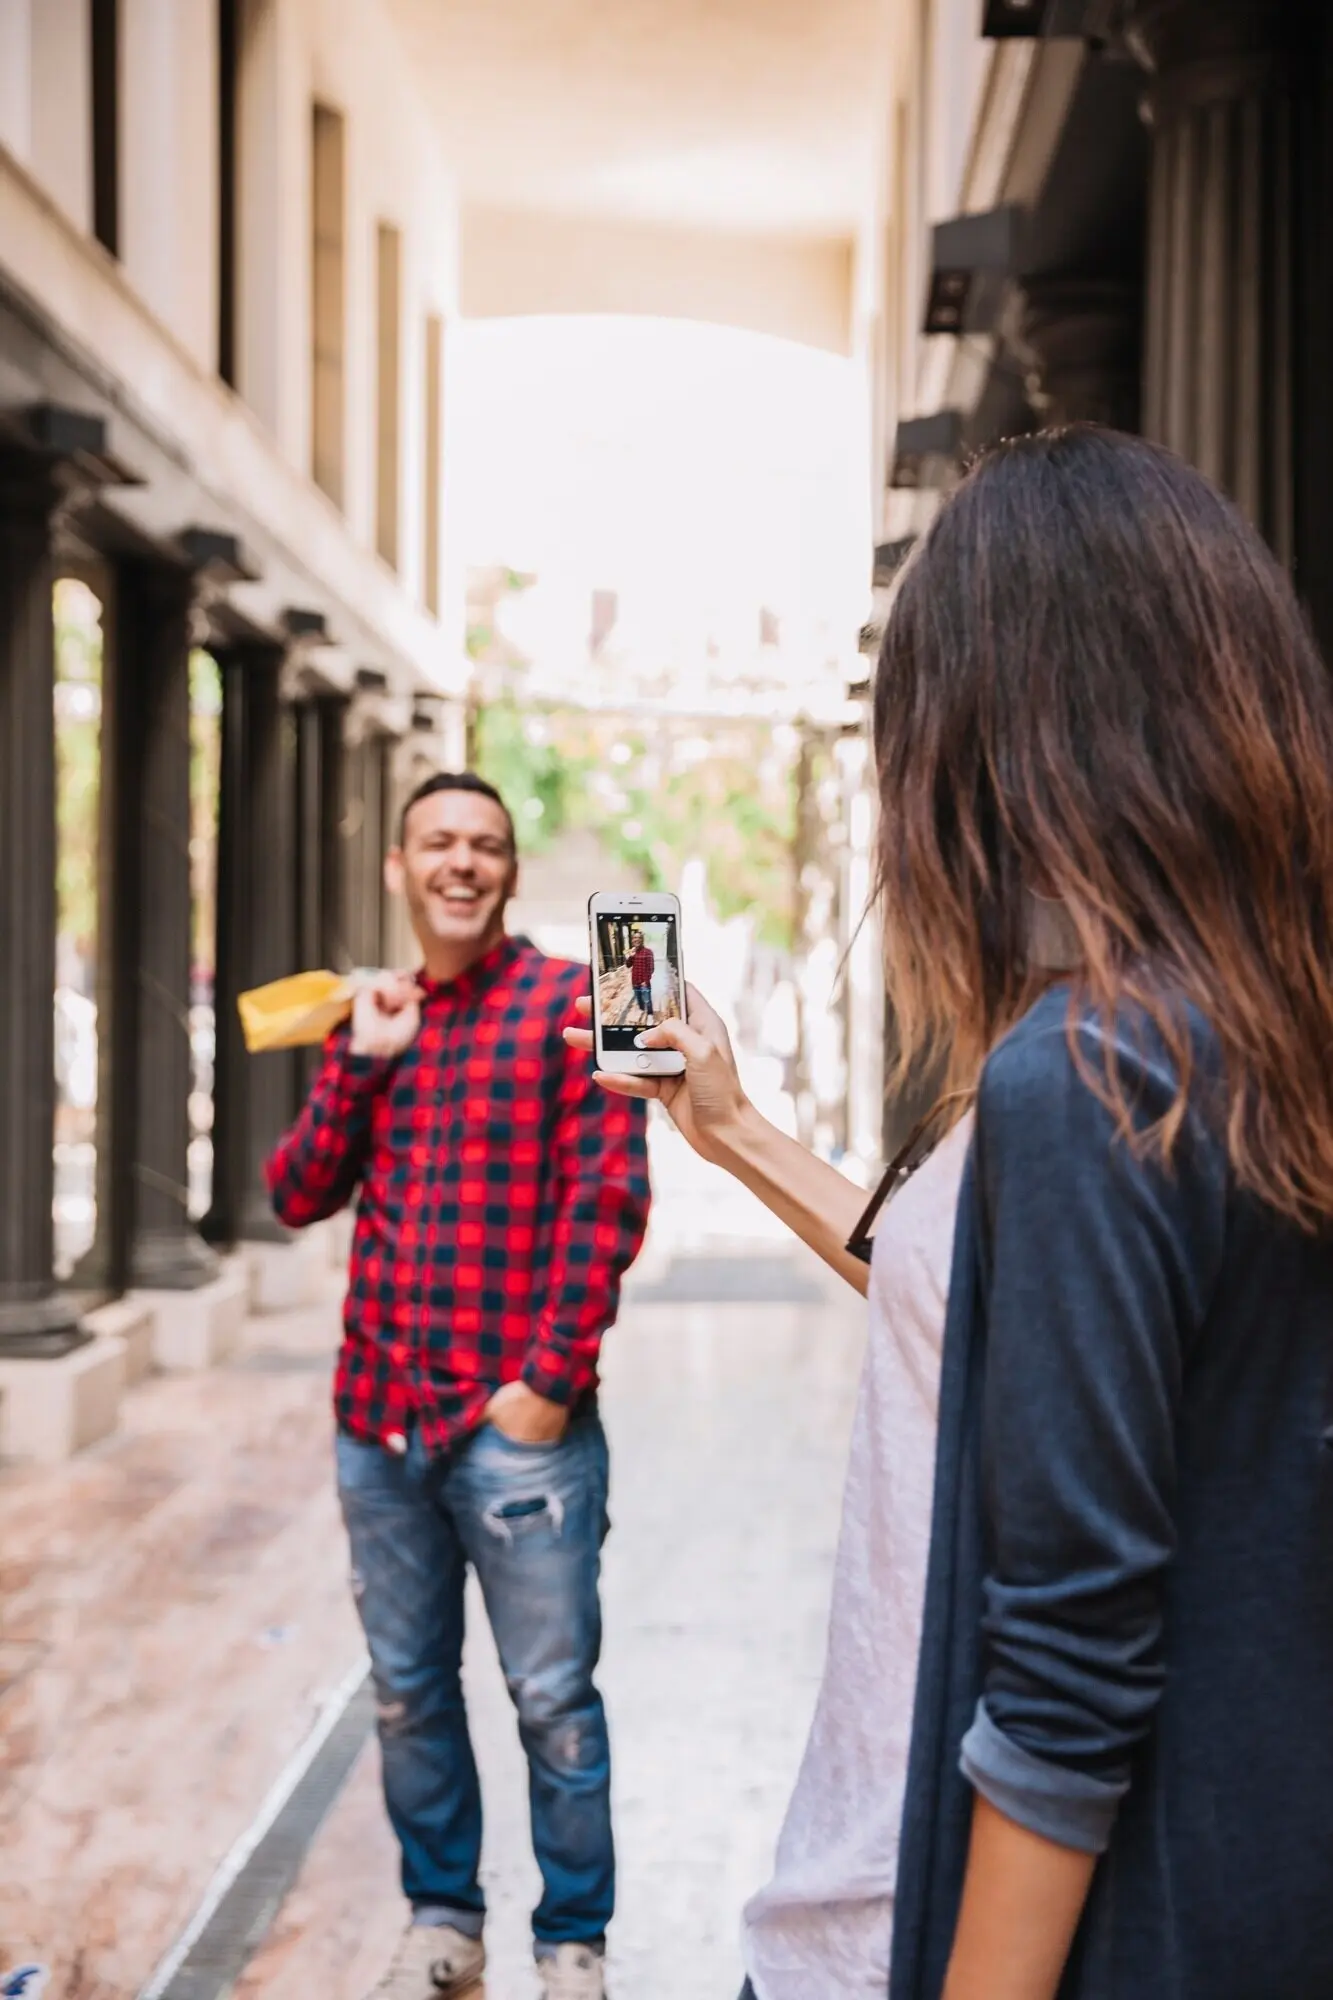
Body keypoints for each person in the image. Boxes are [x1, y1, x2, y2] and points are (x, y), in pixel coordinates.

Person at [568, 428, 1333, 1999]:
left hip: (931, 1914)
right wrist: (738, 1137)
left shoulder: (1090, 1079)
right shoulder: (1230, 1036)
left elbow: (1066, 1680)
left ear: (994, 731)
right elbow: (1008, 1323)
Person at [267, 772, 650, 2000]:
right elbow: (295, 1192)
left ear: (510, 872)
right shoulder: (370, 1016)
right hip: (376, 1423)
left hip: (515, 1432)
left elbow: (607, 1198)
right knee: (407, 1694)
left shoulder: (567, 1003)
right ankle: (445, 1919)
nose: (461, 861)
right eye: (437, 840)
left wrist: (550, 1379)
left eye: (484, 843)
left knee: (552, 1700)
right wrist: (362, 1064)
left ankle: (572, 1940)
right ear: (400, 865)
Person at [627, 930, 655, 1027]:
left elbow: (651, 968)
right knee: (639, 1000)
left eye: (639, 938)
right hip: (635, 981)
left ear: (642, 940)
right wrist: (630, 956)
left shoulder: (648, 952)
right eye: (635, 938)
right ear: (632, 940)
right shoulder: (632, 952)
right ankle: (642, 1012)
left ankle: (650, 1015)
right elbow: (628, 965)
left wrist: (645, 981)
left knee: (647, 1000)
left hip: (644, 982)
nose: (637, 939)